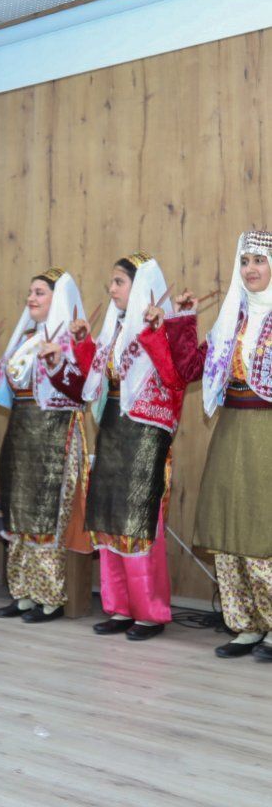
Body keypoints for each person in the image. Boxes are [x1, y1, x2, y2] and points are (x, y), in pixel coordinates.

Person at [53, 252, 184, 640]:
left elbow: (174, 377)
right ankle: (120, 607)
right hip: (111, 426)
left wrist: (157, 333)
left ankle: (149, 612)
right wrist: (81, 345)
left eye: (119, 282)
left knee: (139, 523)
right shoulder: (114, 328)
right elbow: (92, 382)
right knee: (109, 517)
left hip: (145, 431)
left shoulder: (164, 327)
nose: (111, 289)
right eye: (111, 282)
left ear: (140, 286)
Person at [162, 230, 272, 661]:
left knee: (262, 530)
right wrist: (184, 320)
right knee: (228, 528)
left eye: (259, 260)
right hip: (230, 431)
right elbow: (190, 368)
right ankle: (244, 625)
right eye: (244, 261)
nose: (250, 269)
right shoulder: (232, 321)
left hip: (267, 434)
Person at [0, 266, 89, 623]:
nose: (31, 298)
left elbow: (81, 389)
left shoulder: (72, 339)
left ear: (57, 298)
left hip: (54, 434)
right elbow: (0, 383)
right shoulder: (25, 340)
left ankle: (49, 597)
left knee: (46, 515)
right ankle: (22, 593)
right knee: (18, 512)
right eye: (31, 292)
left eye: (40, 293)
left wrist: (59, 361)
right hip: (20, 434)